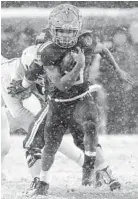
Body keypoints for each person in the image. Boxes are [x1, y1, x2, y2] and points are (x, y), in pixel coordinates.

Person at [8, 4, 134, 196]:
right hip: (59, 98)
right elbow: (43, 79)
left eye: (70, 32)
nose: (66, 36)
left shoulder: (83, 41)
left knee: (51, 140)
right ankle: (96, 173)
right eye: (61, 31)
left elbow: (62, 82)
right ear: (51, 30)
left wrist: (117, 70)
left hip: (71, 97)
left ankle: (95, 173)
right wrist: (24, 86)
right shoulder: (42, 50)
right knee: (64, 140)